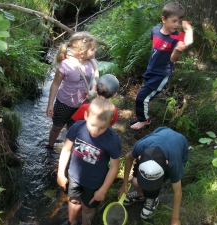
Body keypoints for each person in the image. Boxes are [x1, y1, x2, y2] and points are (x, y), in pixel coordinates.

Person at [57, 98, 121, 225]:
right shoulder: (77, 128)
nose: (95, 131)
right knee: (74, 200)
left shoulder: (113, 140)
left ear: (110, 123)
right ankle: (72, 221)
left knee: (88, 208)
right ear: (86, 115)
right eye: (92, 125)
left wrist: (102, 190)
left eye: (102, 127)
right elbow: (66, 150)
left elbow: (114, 167)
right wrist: (60, 173)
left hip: (95, 183)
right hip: (74, 176)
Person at [130, 2, 187, 130]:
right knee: (148, 97)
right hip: (151, 69)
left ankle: (144, 120)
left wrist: (178, 50)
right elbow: (154, 47)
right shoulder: (155, 31)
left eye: (179, 21)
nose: (177, 25)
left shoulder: (176, 38)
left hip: (161, 74)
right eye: (174, 21)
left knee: (141, 97)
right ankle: (142, 116)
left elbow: (173, 59)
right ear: (163, 19)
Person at [119, 127, 189, 225]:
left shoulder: (173, 163)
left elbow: (177, 192)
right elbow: (129, 159)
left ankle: (153, 199)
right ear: (140, 158)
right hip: (160, 133)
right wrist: (125, 183)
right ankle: (141, 195)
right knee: (135, 181)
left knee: (152, 188)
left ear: (166, 164)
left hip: (177, 145)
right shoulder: (140, 146)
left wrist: (175, 219)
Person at [46, 31, 98, 149]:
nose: (95, 51)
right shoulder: (66, 65)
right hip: (64, 103)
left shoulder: (93, 63)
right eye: (92, 49)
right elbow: (55, 84)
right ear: (81, 53)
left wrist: (93, 91)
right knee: (57, 127)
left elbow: (94, 80)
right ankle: (49, 146)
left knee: (73, 128)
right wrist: (50, 104)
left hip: (81, 105)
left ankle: (66, 149)